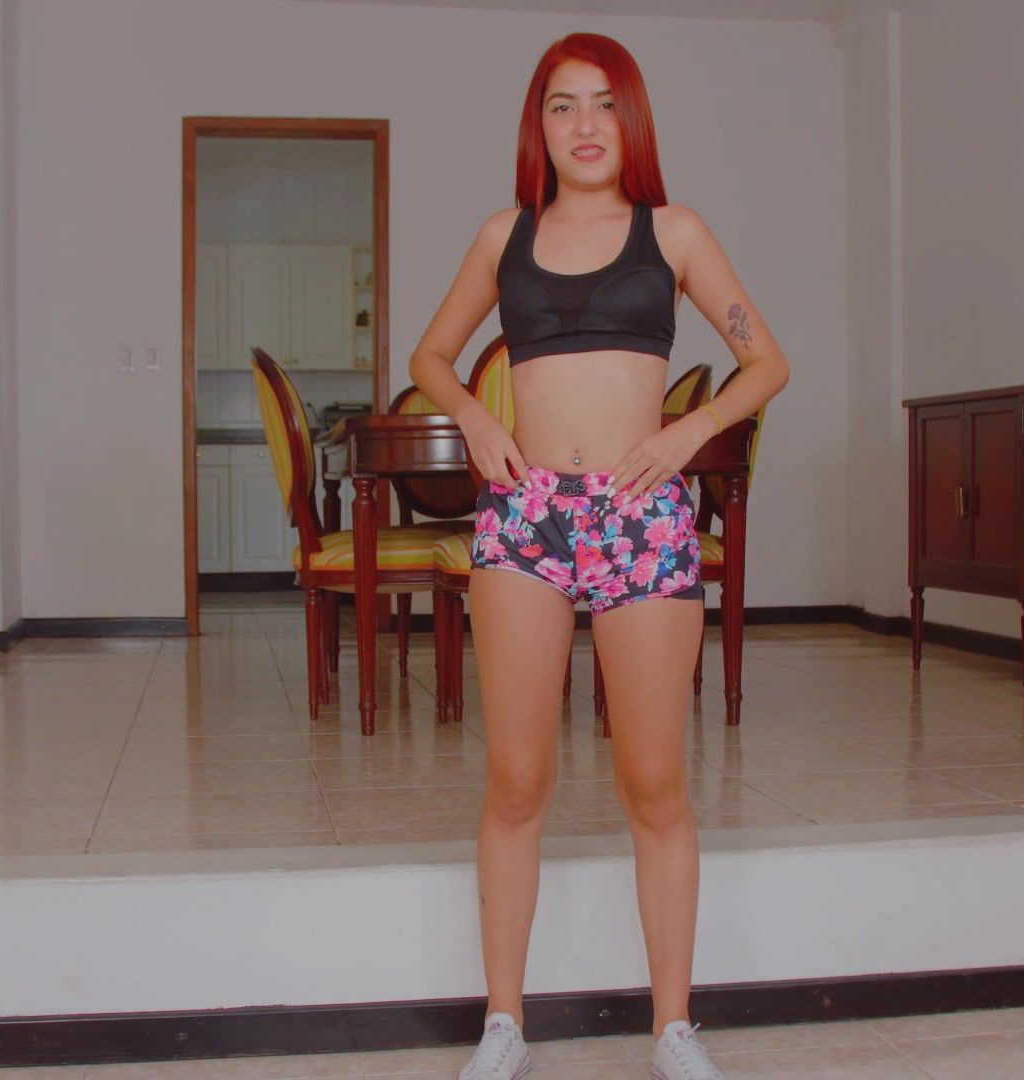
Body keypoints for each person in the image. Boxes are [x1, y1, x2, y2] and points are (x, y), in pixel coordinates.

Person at [406, 30, 789, 1080]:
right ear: (538, 125)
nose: (585, 125)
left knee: (654, 783)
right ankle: (503, 1024)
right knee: (516, 781)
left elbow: (766, 361)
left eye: (605, 104)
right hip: (524, 521)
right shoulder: (504, 236)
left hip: (643, 519)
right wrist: (473, 418)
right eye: (563, 105)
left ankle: (673, 1028)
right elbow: (430, 355)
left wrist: (685, 435)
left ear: (633, 120)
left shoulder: (675, 232)